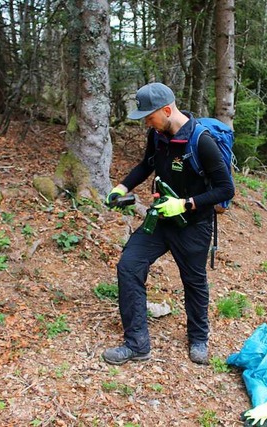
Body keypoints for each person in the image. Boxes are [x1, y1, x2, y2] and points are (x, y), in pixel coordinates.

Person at [102, 82, 234, 365]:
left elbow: (225, 190)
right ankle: (137, 344)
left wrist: (186, 203)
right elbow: (146, 164)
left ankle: (199, 338)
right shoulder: (158, 134)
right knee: (129, 266)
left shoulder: (202, 141)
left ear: (166, 110)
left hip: (194, 224)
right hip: (161, 220)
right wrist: (122, 188)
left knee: (193, 281)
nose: (147, 123)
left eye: (149, 117)